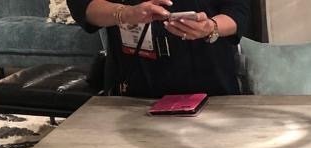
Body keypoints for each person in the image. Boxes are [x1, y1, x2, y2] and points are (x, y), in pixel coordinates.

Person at [67, 0, 250, 97]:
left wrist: (211, 27)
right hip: (132, 90)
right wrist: (124, 13)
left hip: (210, 86)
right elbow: (83, 6)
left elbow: (238, 12)